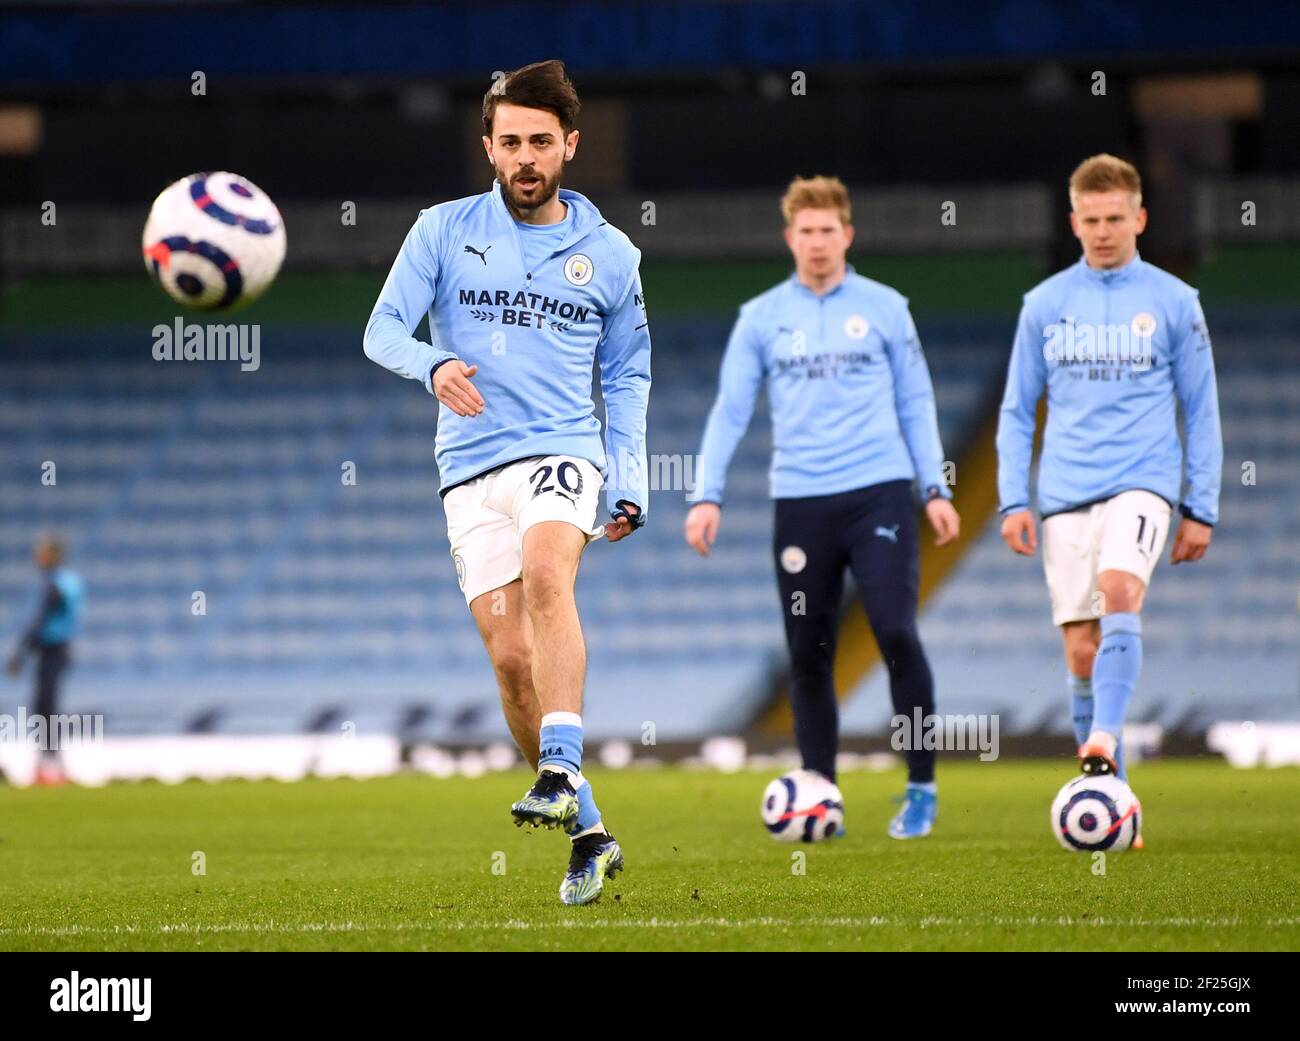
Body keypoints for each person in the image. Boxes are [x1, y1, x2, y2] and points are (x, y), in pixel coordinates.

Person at [363, 60, 651, 904]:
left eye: (541, 141)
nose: (526, 156)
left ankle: (558, 764)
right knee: (511, 661)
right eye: (510, 141)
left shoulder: (612, 256)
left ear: (570, 145)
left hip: (563, 450)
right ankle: (591, 830)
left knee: (551, 577)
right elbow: (382, 329)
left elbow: (628, 377)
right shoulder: (442, 230)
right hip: (468, 470)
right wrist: (433, 362)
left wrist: (626, 475)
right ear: (488, 146)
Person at [685, 176, 960, 839]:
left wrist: (936, 486)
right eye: (805, 232)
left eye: (827, 230)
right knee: (809, 651)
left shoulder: (887, 307)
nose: (816, 242)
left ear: (847, 235)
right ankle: (820, 791)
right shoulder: (760, 317)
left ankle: (920, 784)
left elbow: (917, 401)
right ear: (790, 238)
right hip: (802, 503)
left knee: (895, 630)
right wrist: (705, 494)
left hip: (880, 494)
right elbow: (730, 409)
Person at [996, 154, 1222, 845]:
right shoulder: (1044, 306)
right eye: (1090, 220)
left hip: (1143, 482)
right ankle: (1111, 794)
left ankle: (1100, 735)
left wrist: (1200, 504)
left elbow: (1200, 406)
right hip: (1063, 492)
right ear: (1074, 222)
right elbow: (1015, 409)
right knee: (1079, 650)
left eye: (1114, 219)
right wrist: (1012, 500)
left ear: (1139, 218)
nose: (1101, 231)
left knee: (1120, 587)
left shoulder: (1176, 303)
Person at [6, 534, 85, 786]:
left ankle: (49, 766)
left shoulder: (57, 584)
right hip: (58, 650)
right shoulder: (69, 581)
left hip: (52, 650)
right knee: (46, 707)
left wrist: (20, 654)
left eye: (41, 553)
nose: (37, 558)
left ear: (53, 555)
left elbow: (41, 621)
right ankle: (52, 763)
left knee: (45, 708)